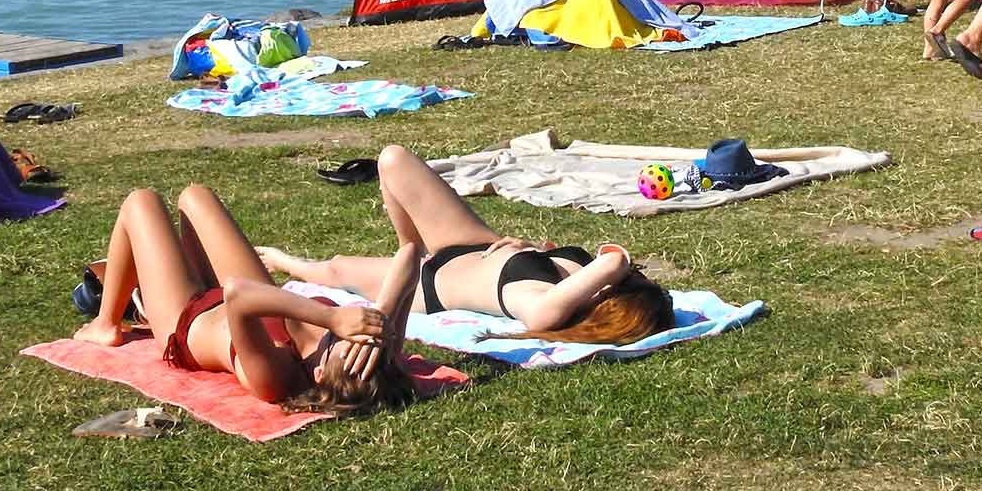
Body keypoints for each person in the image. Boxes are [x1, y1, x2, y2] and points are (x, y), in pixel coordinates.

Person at [257, 145, 674, 344]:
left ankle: (283, 260)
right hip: (475, 244)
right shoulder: (580, 277)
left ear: (611, 295)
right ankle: (409, 245)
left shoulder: (546, 302)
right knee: (392, 160)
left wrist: (616, 264)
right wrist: (532, 248)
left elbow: (609, 259)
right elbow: (602, 258)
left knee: (336, 269)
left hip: (431, 282)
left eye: (632, 277)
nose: (632, 269)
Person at [72, 185, 410, 411]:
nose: (357, 337)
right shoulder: (371, 347)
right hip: (241, 297)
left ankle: (105, 323)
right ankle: (151, 284)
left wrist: (332, 318)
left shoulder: (275, 378)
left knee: (140, 202)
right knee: (196, 196)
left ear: (319, 373)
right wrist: (385, 323)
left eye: (345, 346)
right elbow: (410, 256)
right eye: (366, 344)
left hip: (187, 319)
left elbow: (238, 294)